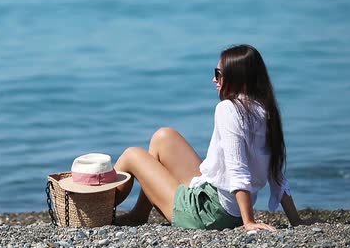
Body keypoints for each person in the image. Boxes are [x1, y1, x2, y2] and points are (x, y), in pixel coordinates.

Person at [113, 44, 310, 230]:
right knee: (163, 137)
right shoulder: (265, 110)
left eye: (219, 74)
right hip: (226, 208)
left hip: (207, 213)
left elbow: (237, 169)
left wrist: (248, 222)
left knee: (132, 155)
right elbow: (275, 171)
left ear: (236, 77)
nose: (214, 80)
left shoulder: (228, 109)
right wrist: (296, 220)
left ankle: (92, 209)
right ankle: (138, 215)